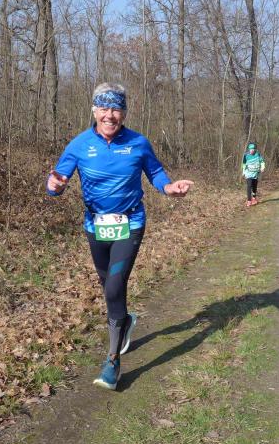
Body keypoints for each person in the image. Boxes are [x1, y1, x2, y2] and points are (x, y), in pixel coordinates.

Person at [46, 82, 193, 391]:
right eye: (104, 108)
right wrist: (54, 186)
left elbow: (155, 173)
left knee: (114, 285)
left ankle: (112, 360)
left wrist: (169, 188)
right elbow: (57, 179)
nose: (109, 115)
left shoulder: (138, 143)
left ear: (123, 113)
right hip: (96, 226)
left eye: (116, 109)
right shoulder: (79, 144)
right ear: (94, 111)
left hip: (130, 222)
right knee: (108, 286)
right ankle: (123, 321)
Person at [241, 142, 266, 207]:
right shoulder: (246, 155)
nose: (252, 150)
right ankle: (249, 201)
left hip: (255, 173)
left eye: (253, 149)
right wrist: (243, 172)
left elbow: (262, 162)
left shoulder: (258, 154)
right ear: (249, 149)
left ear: (255, 149)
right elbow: (244, 164)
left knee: (254, 186)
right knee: (249, 186)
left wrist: (262, 167)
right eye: (251, 149)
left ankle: (254, 198)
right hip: (248, 173)